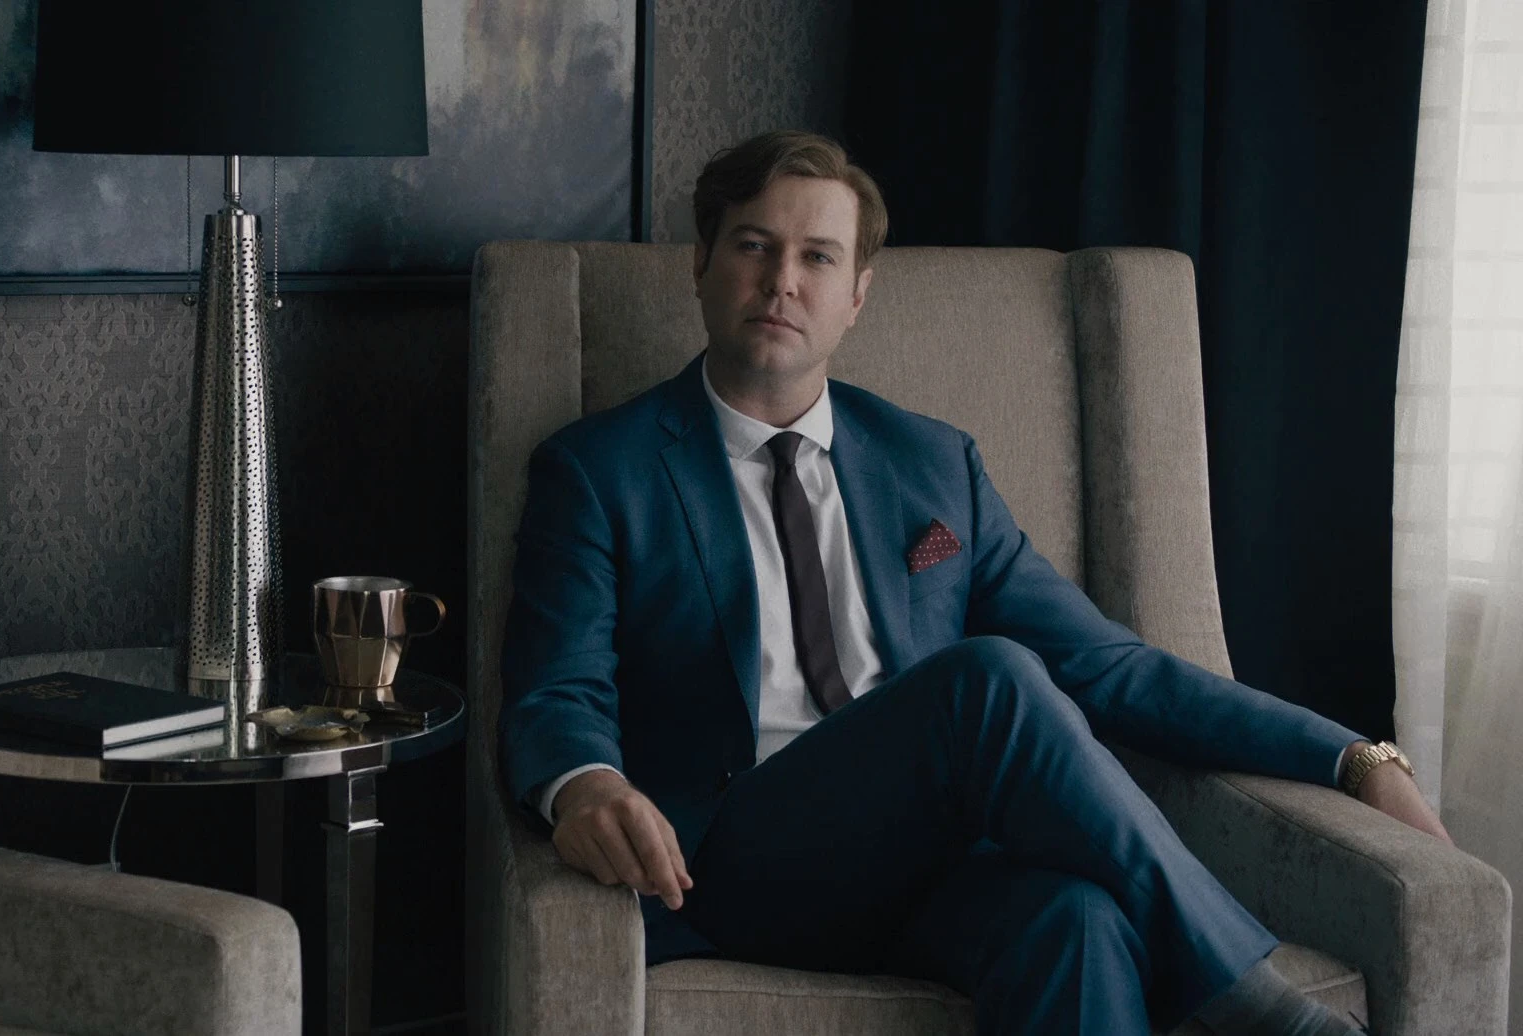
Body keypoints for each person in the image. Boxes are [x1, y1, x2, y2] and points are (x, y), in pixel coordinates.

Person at [497, 130, 1451, 1036]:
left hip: (929, 868)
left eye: (818, 257)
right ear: (702, 262)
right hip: (734, 865)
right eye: (754, 246)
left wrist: (1350, 757)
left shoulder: (931, 464)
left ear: (857, 295)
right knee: (986, 679)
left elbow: (1111, 667)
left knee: (1077, 920)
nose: (783, 280)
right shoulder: (601, 470)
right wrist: (586, 787)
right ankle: (1261, 1008)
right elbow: (556, 689)